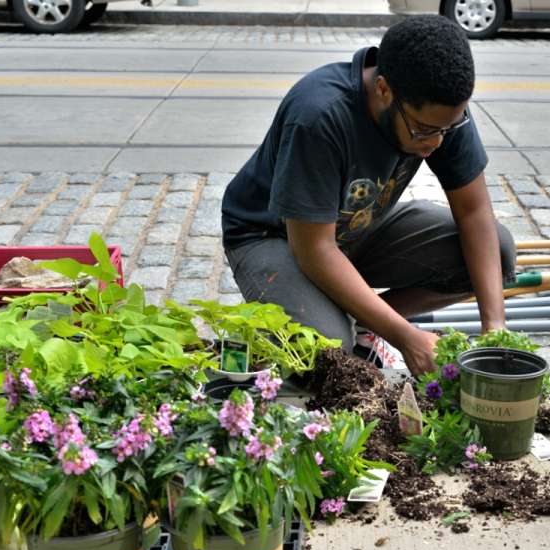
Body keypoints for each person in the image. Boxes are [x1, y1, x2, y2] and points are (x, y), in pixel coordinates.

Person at [220, 16, 514, 377]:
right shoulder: (320, 115)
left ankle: (358, 317)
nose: (437, 142)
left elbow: (474, 213)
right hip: (274, 236)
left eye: (447, 129)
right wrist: (407, 337)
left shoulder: (439, 109)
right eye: (425, 131)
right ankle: (298, 318)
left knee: (497, 252)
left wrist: (495, 328)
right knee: (331, 353)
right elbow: (314, 250)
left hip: (357, 226)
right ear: (384, 90)